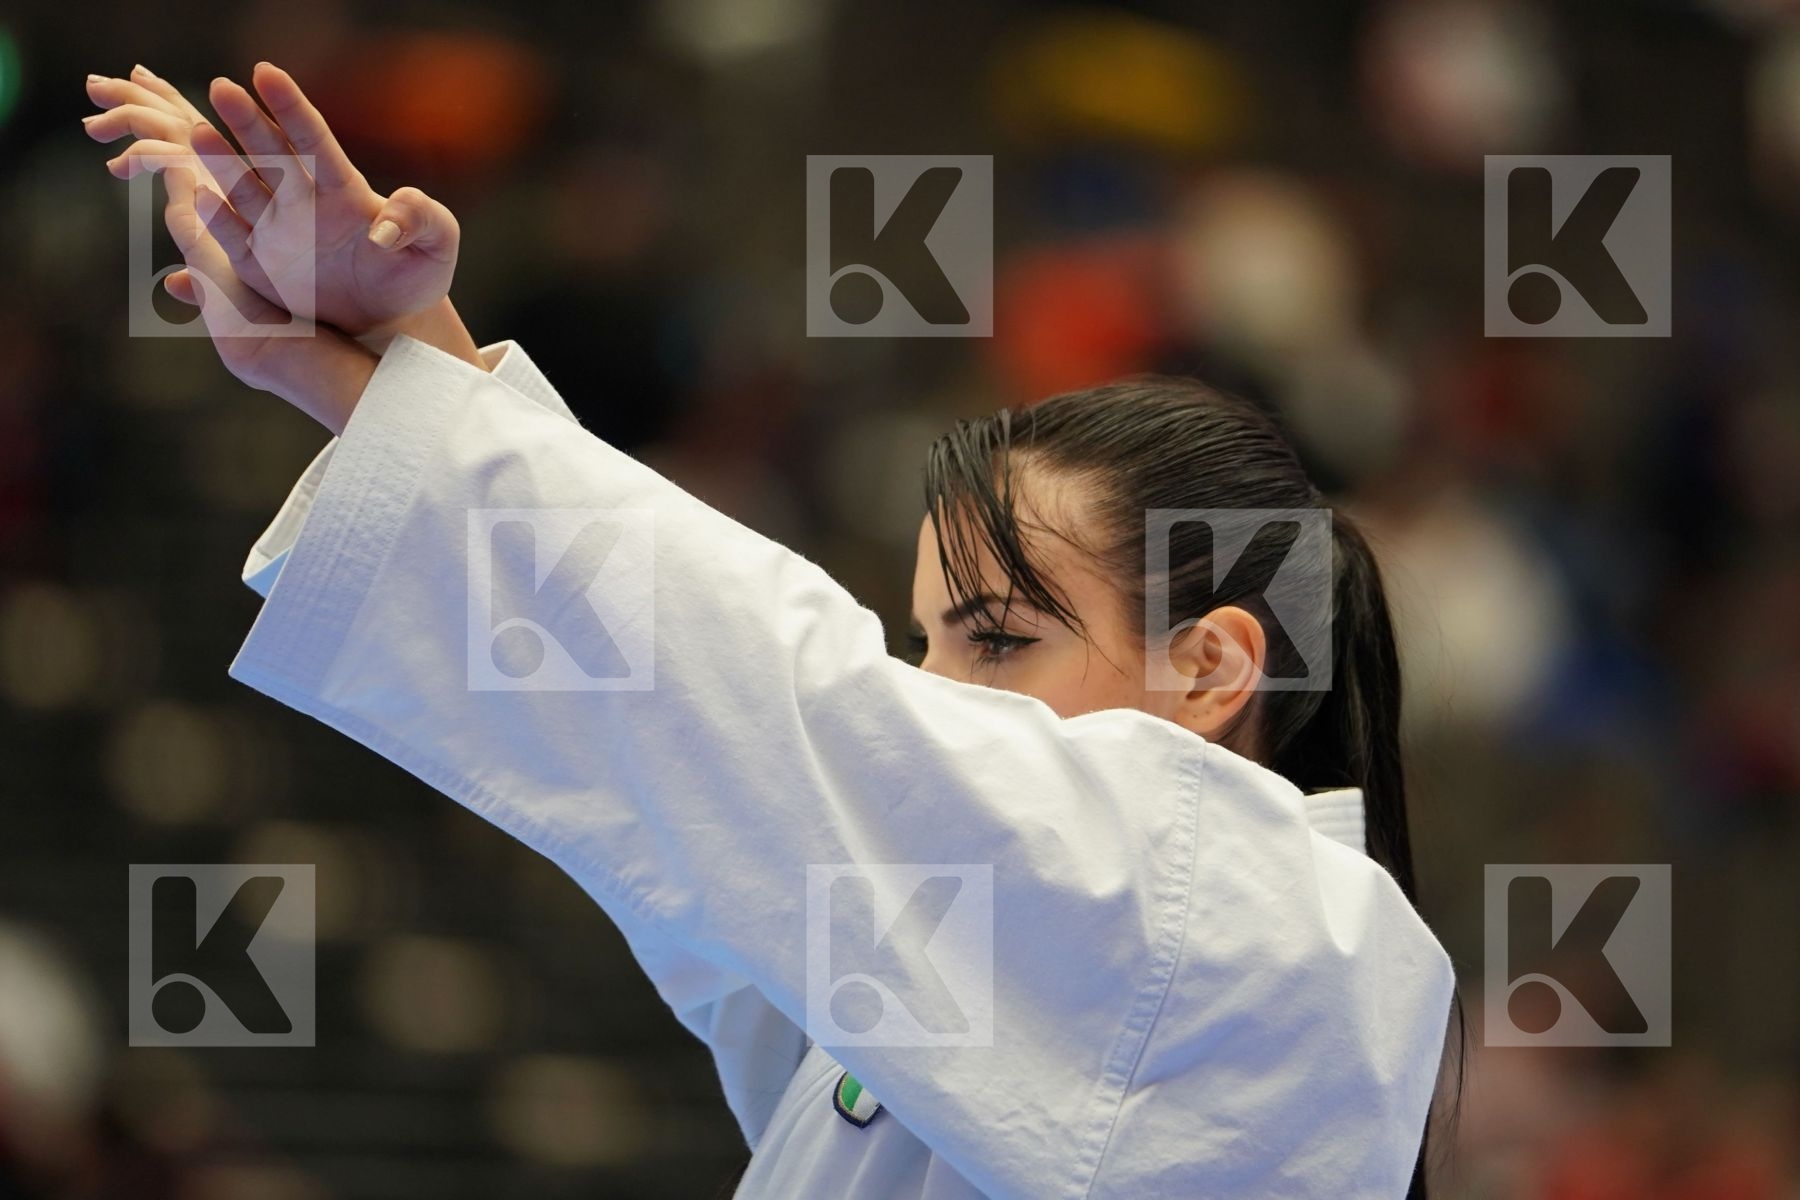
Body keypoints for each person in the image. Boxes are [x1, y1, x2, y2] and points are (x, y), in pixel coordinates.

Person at [85, 62, 1459, 1199]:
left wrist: (419, 388)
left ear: (1213, 663)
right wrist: (398, 362)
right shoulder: (958, 951)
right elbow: (685, 774)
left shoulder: (1290, 943)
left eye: (996, 640)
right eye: (923, 646)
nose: (935, 693)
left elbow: (779, 699)